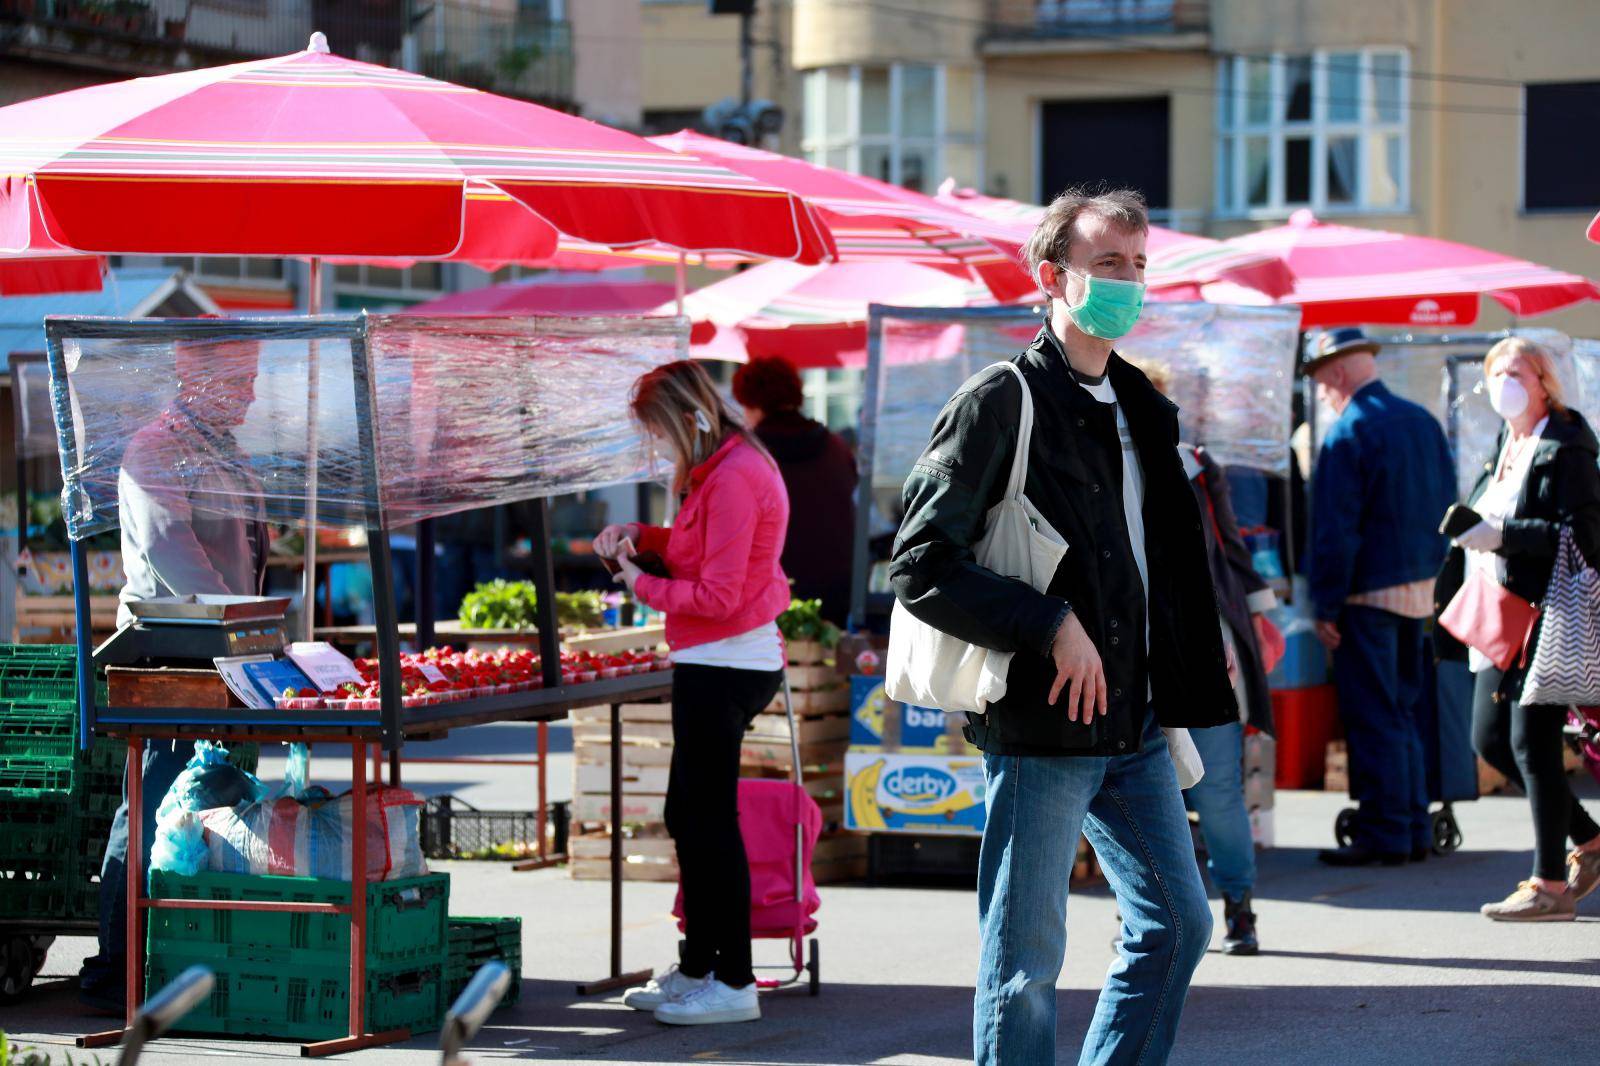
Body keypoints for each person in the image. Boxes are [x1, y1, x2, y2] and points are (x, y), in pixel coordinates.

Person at [890, 188, 1237, 1065]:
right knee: (1024, 966)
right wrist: (1048, 623)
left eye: (1139, 265)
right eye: (1108, 265)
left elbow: (1157, 563)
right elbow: (920, 564)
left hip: (1137, 722)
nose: (1128, 282)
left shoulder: (1143, 410)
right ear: (1053, 276)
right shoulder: (1000, 400)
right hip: (1044, 726)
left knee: (1179, 925)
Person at [595, 360, 790, 1026]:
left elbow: (718, 594)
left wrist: (636, 580)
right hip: (717, 657)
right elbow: (695, 551)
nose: (656, 451)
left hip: (727, 660)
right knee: (691, 817)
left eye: (657, 435)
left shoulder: (734, 475)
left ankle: (733, 982)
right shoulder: (720, 469)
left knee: (707, 822)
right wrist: (641, 539)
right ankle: (702, 966)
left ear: (684, 420)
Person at [80, 336, 270, 1013]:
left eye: (254, 379)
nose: (251, 394)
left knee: (211, 802)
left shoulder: (226, 452)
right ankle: (119, 961)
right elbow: (172, 554)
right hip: (175, 658)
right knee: (158, 801)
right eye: (240, 380)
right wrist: (243, 624)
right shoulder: (155, 451)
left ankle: (184, 952)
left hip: (227, 656)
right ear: (196, 375)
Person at [1434, 337, 1600, 920]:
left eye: (1519, 372)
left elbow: (1581, 536)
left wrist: (1502, 535)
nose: (1507, 381)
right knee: (1490, 741)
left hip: (1545, 614)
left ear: (1544, 381)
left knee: (1531, 743)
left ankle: (1548, 885)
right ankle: (1591, 840)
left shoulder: (1567, 444)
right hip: (1497, 615)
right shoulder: (1507, 441)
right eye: (1497, 371)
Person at [1130, 360, 1283, 956]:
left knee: (1217, 784)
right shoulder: (1091, 468)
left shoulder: (1197, 466)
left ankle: (1239, 907)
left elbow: (1229, 549)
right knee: (1144, 786)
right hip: (1133, 650)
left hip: (1206, 644)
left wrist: (1259, 617)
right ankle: (1151, 914)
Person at [1305, 327, 1457, 868]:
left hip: (1367, 593)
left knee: (1374, 715)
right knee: (1403, 710)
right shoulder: (1420, 420)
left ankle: (1389, 832)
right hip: (1421, 590)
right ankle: (1411, 826)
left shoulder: (1350, 430)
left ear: (1339, 374)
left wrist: (1324, 606)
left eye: (1322, 382)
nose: (1322, 392)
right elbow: (1448, 504)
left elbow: (1335, 531)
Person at [732, 357, 857, 627]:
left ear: (751, 402)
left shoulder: (747, 456)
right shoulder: (837, 448)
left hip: (770, 597)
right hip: (836, 594)